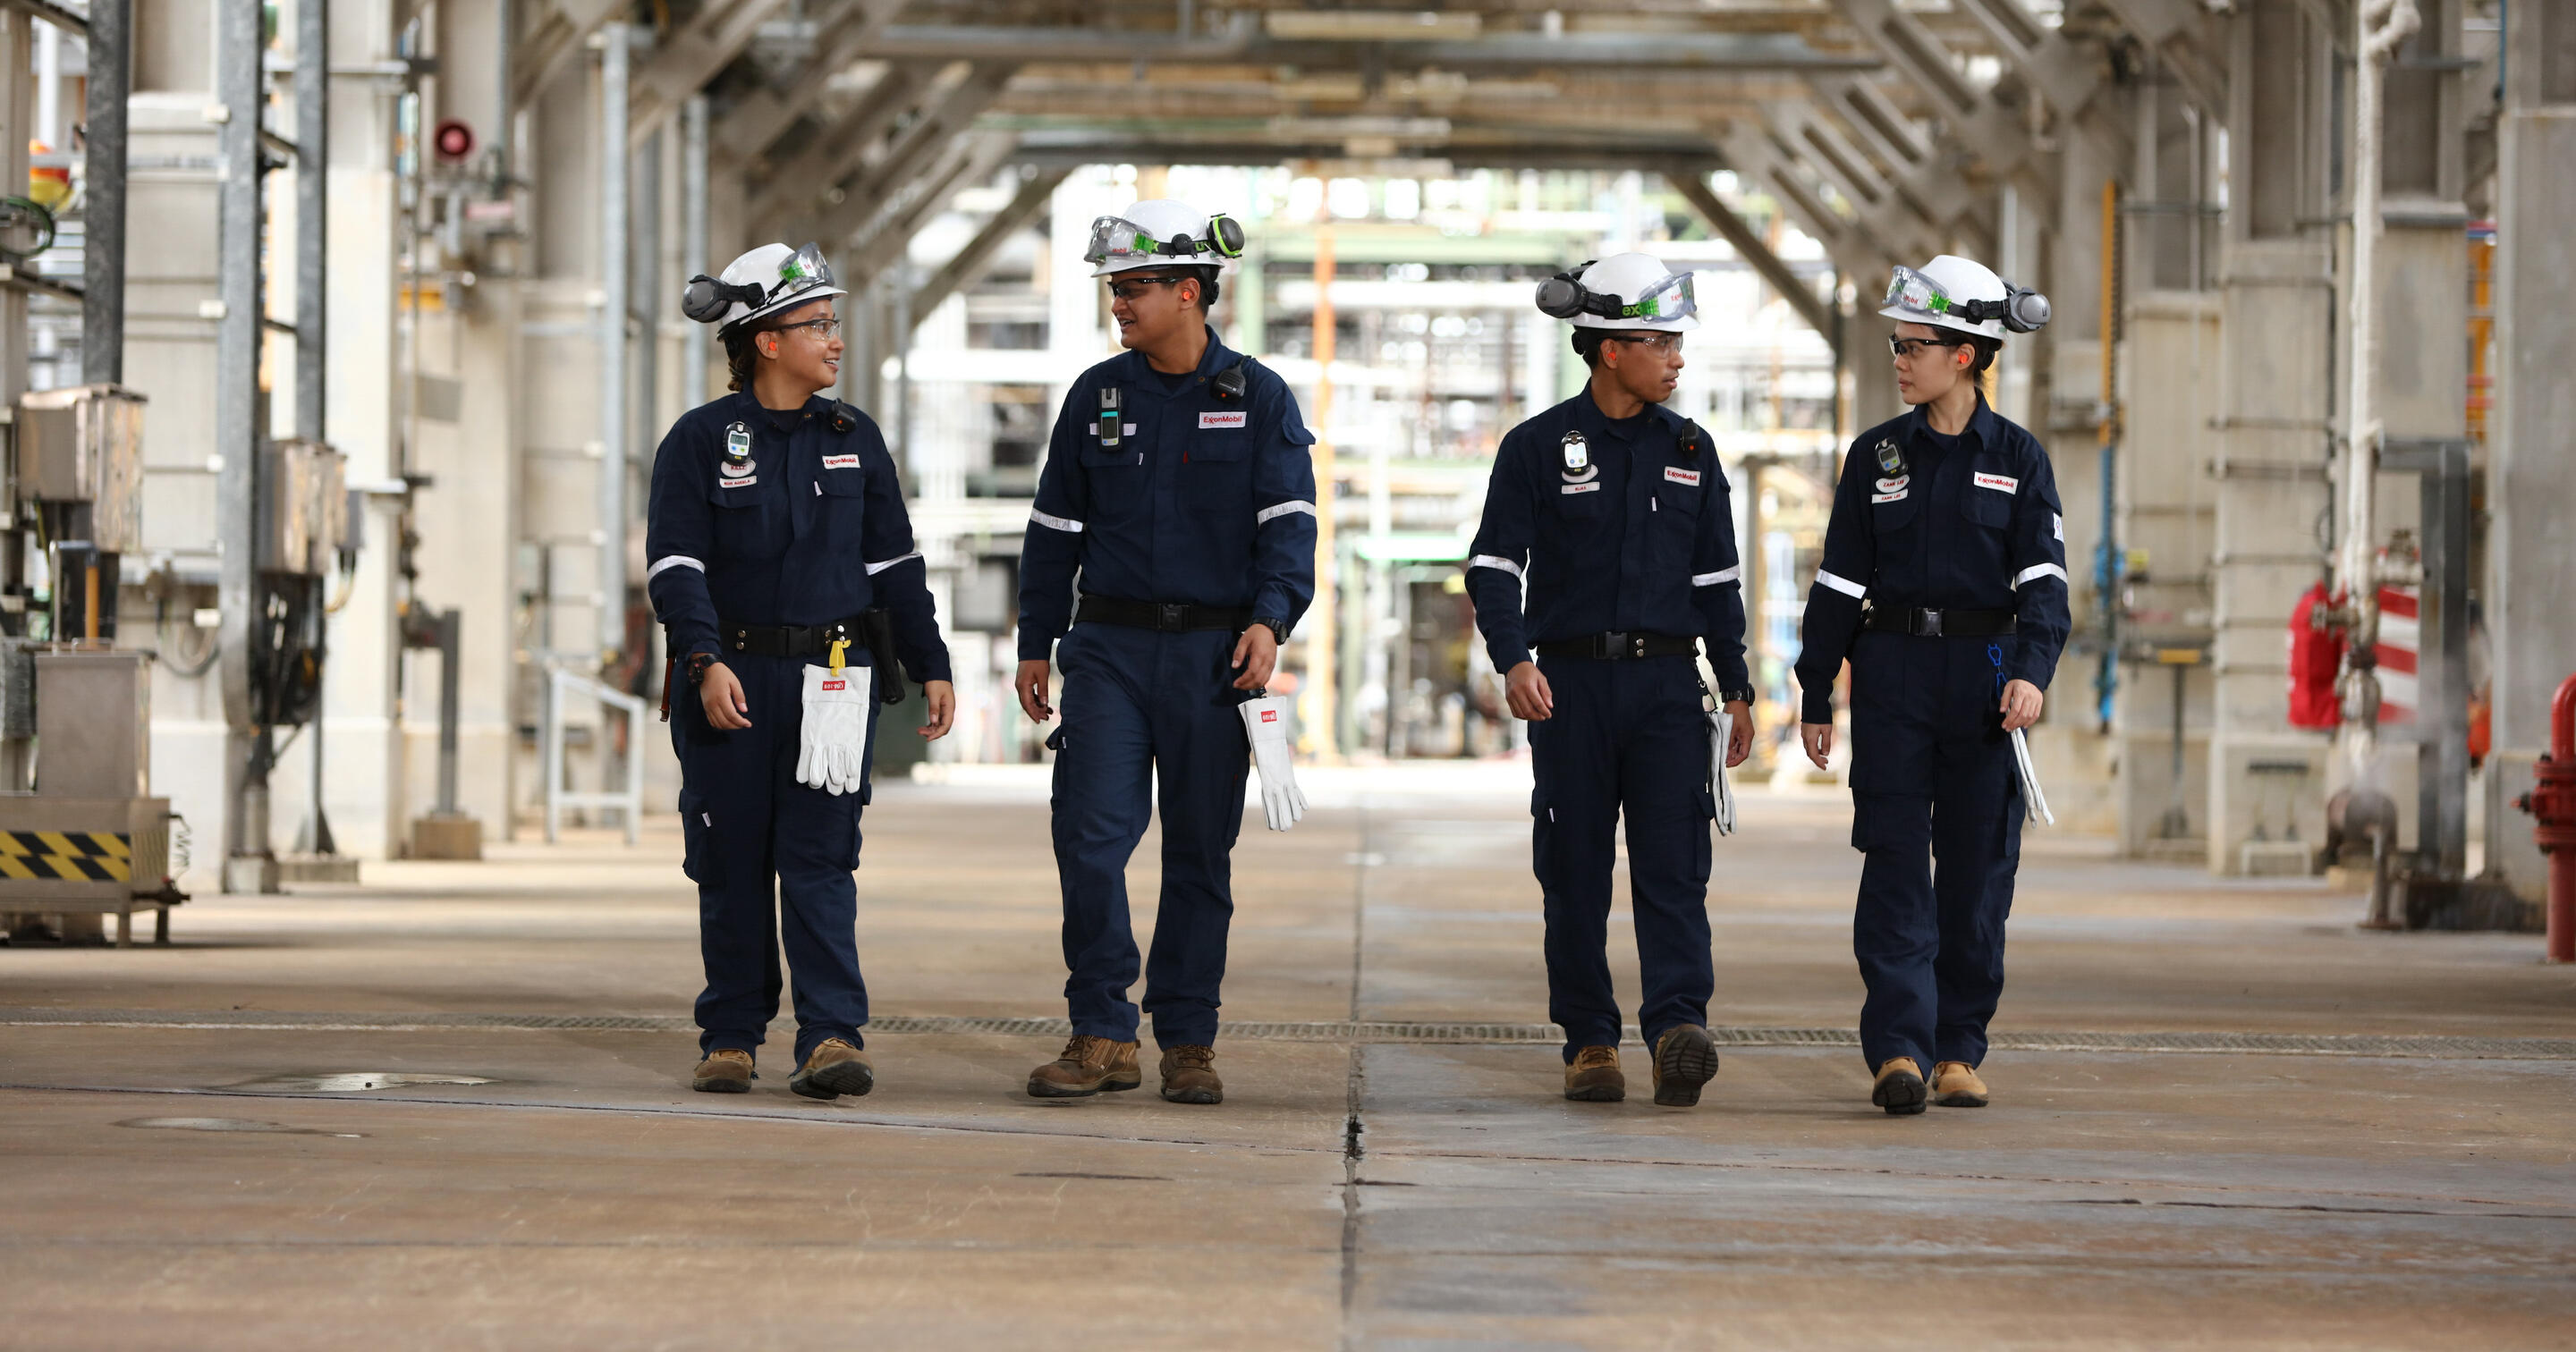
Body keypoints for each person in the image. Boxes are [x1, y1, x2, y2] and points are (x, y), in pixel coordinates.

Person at [1013, 199, 1318, 1106]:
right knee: (1090, 840)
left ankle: (1188, 1037)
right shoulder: (1097, 395)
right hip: (1107, 648)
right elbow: (1052, 528)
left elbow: (1290, 527)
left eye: (1134, 287)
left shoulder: (1257, 397)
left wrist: (1271, 620)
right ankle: (1103, 1030)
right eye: (1114, 288)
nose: (1119, 303)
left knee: (1198, 855)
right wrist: (1036, 640)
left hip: (1214, 657)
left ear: (1190, 291)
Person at [647, 241, 956, 1100]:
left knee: (822, 858)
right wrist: (702, 661)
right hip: (731, 678)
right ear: (767, 340)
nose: (835, 340)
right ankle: (733, 1036)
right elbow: (676, 567)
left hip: (832, 681)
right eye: (818, 324)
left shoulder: (855, 439)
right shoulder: (701, 441)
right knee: (732, 857)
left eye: (834, 322)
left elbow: (895, 568)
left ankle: (829, 1036)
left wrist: (931, 663)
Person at [1462, 252, 1756, 1108]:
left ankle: (1675, 1030)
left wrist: (1736, 686)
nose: (1676, 358)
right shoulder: (1536, 447)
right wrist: (1513, 657)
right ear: (1609, 348)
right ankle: (1591, 1040)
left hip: (1669, 690)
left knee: (1675, 870)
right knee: (1577, 871)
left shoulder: (1693, 451)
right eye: (1660, 341)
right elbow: (1491, 564)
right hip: (1573, 689)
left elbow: (1717, 584)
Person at [1792, 254, 2066, 1115]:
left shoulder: (2020, 458)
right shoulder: (1874, 456)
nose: (1900, 360)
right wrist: (1814, 692)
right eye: (1896, 346)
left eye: (1915, 346)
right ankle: (1900, 1051)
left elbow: (2045, 586)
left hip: (1986, 682)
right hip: (1894, 679)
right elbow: (1839, 583)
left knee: (1980, 873)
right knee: (1897, 862)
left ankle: (1958, 1048)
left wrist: (2031, 674)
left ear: (1969, 354)